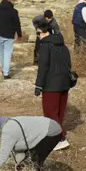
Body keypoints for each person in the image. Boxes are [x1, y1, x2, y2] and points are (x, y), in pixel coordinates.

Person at [34, 20, 72, 151]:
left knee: (50, 112)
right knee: (59, 113)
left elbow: (43, 67)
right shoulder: (63, 45)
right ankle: (54, 136)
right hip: (64, 84)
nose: (38, 36)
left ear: (47, 33)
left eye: (39, 33)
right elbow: (69, 64)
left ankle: (60, 139)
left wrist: (38, 85)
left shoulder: (45, 46)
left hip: (51, 85)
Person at [0, 0, 22, 79]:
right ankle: (6, 73)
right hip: (9, 34)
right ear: (10, 1)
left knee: (2, 52)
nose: (14, 3)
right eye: (14, 1)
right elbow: (17, 24)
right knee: (7, 53)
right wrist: (19, 34)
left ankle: (3, 69)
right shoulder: (14, 11)